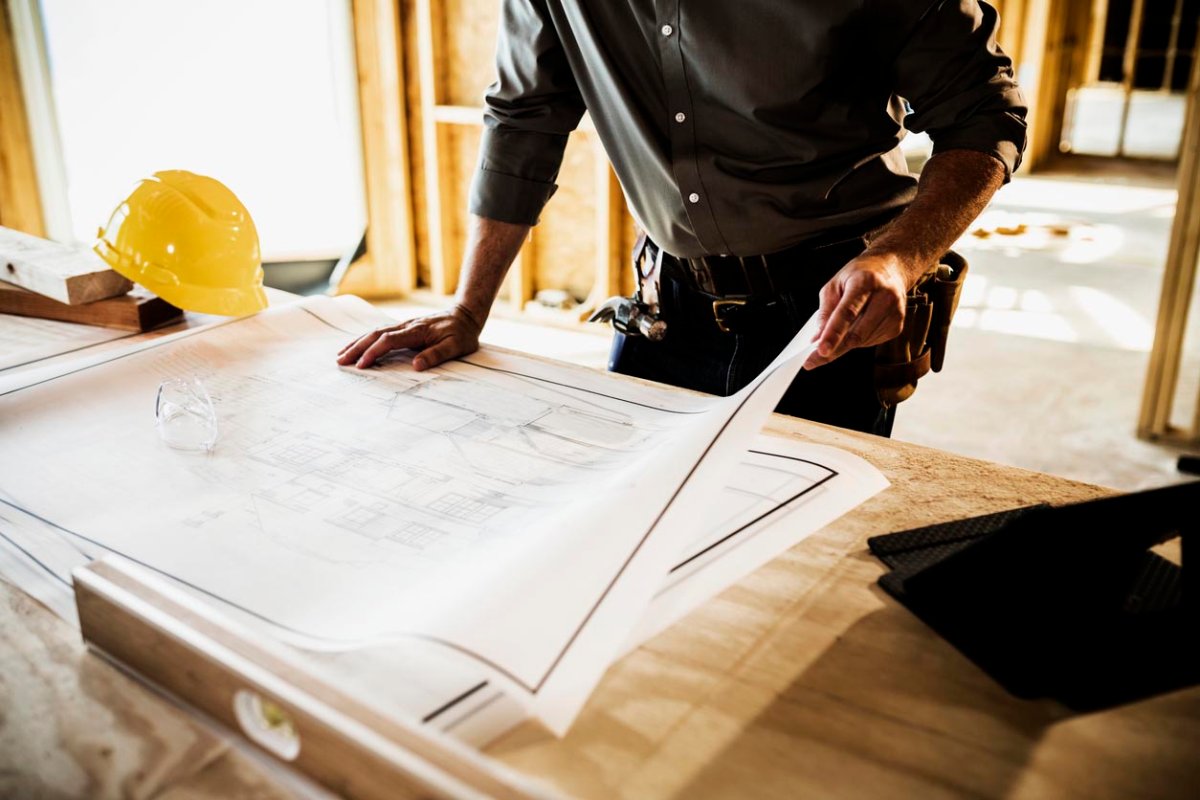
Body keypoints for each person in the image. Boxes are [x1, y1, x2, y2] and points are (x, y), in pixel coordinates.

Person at [337, 1, 1027, 437]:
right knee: (633, 519)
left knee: (792, 543)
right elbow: (526, 119)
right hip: (667, 301)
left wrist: (901, 257)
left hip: (831, 305)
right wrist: (468, 309)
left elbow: (984, 114)